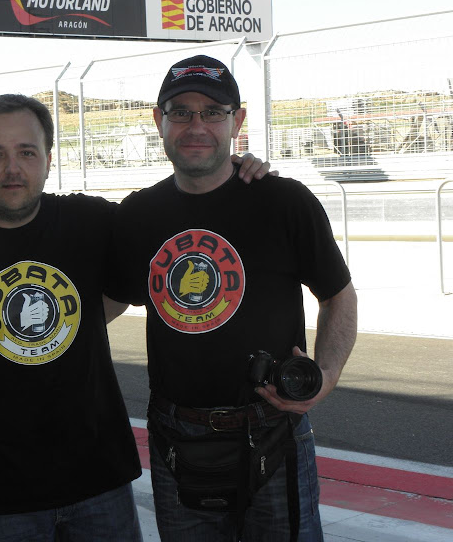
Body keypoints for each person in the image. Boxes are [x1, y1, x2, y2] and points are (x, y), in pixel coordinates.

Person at [0, 93, 271, 542]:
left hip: (99, 487)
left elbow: (177, 218)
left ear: (48, 159)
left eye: (27, 152)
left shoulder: (90, 222)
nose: (12, 169)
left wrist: (231, 174)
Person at [106, 55, 358, 541]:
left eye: (213, 112)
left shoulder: (285, 202)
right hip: (176, 436)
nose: (196, 126)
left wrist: (326, 377)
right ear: (159, 120)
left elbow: (338, 296)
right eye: (181, 112)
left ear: (237, 121)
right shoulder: (138, 214)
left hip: (274, 429)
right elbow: (112, 299)